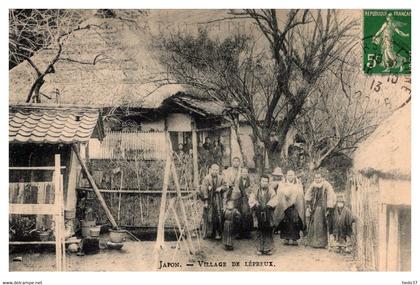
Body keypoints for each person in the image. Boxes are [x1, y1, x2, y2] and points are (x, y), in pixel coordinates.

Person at [304, 171, 336, 248]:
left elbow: (330, 195)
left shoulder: (326, 185)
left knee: (323, 223)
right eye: (316, 177)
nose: (317, 179)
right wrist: (308, 204)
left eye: (319, 177)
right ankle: (314, 242)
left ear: (322, 178)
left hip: (323, 206)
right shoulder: (313, 185)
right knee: (314, 223)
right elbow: (308, 194)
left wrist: (329, 207)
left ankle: (323, 243)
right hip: (315, 206)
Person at [274, 170, 305, 246]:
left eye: (291, 175)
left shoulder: (298, 183)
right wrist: (285, 198)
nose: (290, 176)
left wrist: (295, 199)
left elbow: (301, 194)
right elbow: (279, 193)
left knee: (295, 221)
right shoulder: (282, 183)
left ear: (294, 175)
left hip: (295, 206)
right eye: (289, 175)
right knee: (285, 221)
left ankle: (295, 239)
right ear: (286, 176)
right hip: (284, 206)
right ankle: (286, 238)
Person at [249, 174, 277, 255]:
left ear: (268, 183)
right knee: (259, 230)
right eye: (263, 181)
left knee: (268, 230)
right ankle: (259, 248)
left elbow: (274, 199)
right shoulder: (256, 190)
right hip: (258, 212)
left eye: (266, 181)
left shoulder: (271, 190)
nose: (264, 183)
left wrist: (269, 205)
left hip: (268, 213)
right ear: (260, 182)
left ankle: (268, 249)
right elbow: (251, 198)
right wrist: (255, 203)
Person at [200, 164, 226, 240]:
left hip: (218, 199)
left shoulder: (221, 178)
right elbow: (203, 188)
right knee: (208, 215)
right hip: (209, 199)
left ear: (219, 171)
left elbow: (226, 186)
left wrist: (221, 188)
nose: (215, 171)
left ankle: (217, 232)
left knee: (218, 215)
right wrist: (206, 199)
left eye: (217, 170)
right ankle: (207, 232)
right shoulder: (206, 178)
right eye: (214, 169)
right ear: (210, 170)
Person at [229, 167, 253, 239]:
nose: (244, 173)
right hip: (239, 199)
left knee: (247, 214)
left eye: (246, 172)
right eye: (243, 172)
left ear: (248, 173)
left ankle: (247, 232)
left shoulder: (251, 180)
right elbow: (236, 190)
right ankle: (239, 233)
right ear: (241, 173)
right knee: (239, 214)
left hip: (248, 199)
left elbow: (252, 189)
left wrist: (249, 194)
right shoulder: (238, 180)